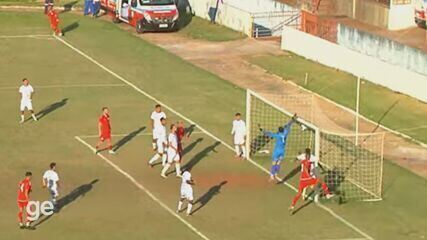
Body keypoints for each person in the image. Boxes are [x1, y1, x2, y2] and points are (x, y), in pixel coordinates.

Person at [289, 148, 333, 213]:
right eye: (307, 155)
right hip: (308, 179)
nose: (307, 156)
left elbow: (305, 162)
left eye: (308, 155)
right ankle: (326, 194)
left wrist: (295, 160)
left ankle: (292, 205)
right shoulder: (306, 161)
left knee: (299, 193)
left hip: (303, 180)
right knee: (320, 181)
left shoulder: (305, 160)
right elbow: (305, 168)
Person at [261, 114, 297, 181]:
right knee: (278, 163)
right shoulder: (285, 134)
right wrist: (292, 120)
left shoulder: (277, 135)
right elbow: (288, 126)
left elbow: (268, 133)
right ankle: (276, 174)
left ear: (278, 131)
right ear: (283, 130)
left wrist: (262, 130)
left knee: (274, 163)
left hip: (276, 151)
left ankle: (272, 176)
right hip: (282, 151)